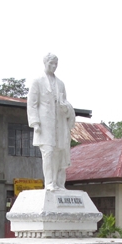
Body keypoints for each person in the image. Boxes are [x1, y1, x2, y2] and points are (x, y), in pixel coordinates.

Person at [27, 53, 76, 191]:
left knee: (59, 153)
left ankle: (59, 183)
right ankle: (49, 182)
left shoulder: (60, 84)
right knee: (48, 152)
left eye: (56, 64)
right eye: (51, 64)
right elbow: (32, 104)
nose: (53, 66)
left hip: (59, 123)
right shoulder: (37, 81)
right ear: (45, 63)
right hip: (45, 124)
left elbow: (65, 102)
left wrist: (65, 107)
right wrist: (35, 123)